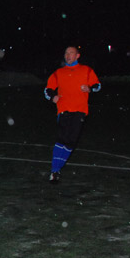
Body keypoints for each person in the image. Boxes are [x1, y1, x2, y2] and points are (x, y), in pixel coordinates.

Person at [44, 46, 100, 183]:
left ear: (77, 56)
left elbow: (97, 85)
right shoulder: (59, 73)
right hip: (64, 110)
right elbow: (47, 89)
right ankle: (55, 170)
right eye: (66, 53)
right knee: (62, 138)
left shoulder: (86, 70)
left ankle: (58, 168)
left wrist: (90, 88)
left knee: (71, 141)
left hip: (80, 111)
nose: (68, 55)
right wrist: (52, 97)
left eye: (71, 53)